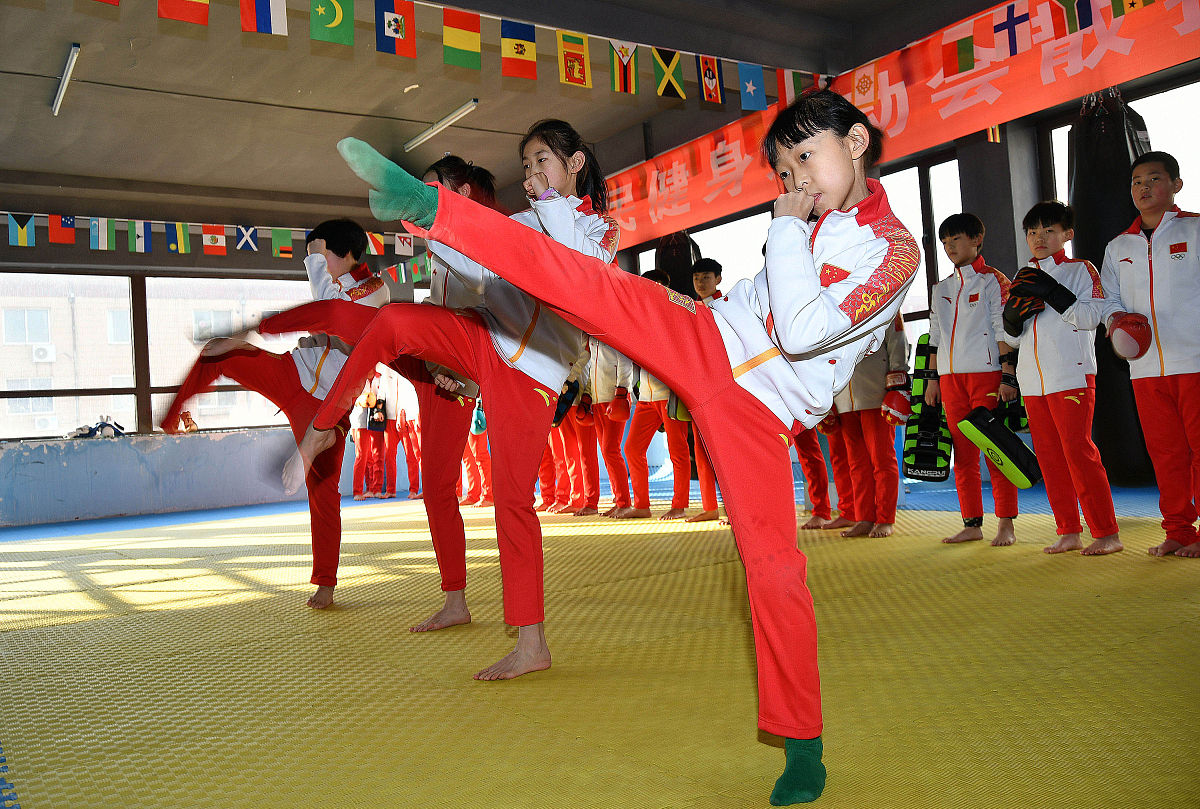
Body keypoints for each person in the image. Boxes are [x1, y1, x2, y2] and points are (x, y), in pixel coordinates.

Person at [329, 88, 921, 805]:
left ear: (855, 143)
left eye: (806, 156)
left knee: (775, 574)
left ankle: (802, 745)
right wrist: (713, 298)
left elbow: (800, 331)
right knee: (585, 284)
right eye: (785, 166)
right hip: (708, 341)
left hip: (761, 416)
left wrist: (786, 230)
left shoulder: (891, 251)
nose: (795, 178)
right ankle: (432, 210)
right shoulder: (808, 218)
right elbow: (756, 308)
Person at [284, 122, 620, 682]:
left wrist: (549, 206)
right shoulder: (524, 220)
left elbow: (573, 275)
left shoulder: (599, 228)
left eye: (543, 162)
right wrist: (431, 220)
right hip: (486, 339)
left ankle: (530, 642)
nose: (533, 175)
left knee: (514, 502)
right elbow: (480, 269)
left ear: (576, 163)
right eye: (528, 166)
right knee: (391, 319)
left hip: (531, 373)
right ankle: (324, 424)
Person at [160, 219, 390, 609]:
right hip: (293, 373)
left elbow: (327, 309)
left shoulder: (376, 289)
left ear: (349, 254)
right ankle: (169, 422)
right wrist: (246, 335)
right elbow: (312, 315)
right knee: (221, 350)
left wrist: (313, 261)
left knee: (322, 493)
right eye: (315, 257)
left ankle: (325, 583)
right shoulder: (336, 283)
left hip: (329, 404)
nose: (319, 262)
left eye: (324, 254)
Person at [1003, 200, 1121, 555]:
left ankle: (1107, 533)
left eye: (1048, 231)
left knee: (1078, 452)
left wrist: (1054, 294)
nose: (1039, 238)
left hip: (1071, 376)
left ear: (1067, 235)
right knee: (1051, 458)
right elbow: (1012, 338)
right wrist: (1012, 321)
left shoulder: (1081, 269)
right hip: (1033, 381)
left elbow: (1091, 316)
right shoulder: (1023, 275)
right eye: (1032, 231)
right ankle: (1068, 529)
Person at [1099, 151, 1200, 558]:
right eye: (1137, 181)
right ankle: (1178, 530)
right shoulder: (1118, 246)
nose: (1143, 187)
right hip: (1144, 370)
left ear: (1175, 185)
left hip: (1194, 361)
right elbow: (1109, 299)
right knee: (1166, 453)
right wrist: (1118, 326)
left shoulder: (1195, 231)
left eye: (1154, 179)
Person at [926, 213, 1020, 546]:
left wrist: (1007, 374)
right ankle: (972, 523)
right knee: (963, 455)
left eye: (957, 239)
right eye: (945, 242)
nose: (950, 247)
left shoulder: (994, 280)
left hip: (986, 374)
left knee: (995, 450)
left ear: (977, 239)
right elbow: (934, 336)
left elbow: (1003, 330)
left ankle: (1006, 522)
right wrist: (932, 380)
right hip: (951, 380)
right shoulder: (941, 288)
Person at [620, 269, 694, 521]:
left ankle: (679, 504)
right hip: (646, 397)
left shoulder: (675, 314)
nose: (653, 288)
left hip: (670, 394)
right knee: (632, 448)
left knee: (678, 451)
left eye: (658, 284)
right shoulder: (636, 317)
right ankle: (641, 505)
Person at [829, 315, 909, 538]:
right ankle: (864, 517)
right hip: (844, 397)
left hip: (876, 393)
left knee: (882, 459)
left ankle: (885, 519)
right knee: (857, 464)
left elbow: (897, 340)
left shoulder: (883, 296)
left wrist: (897, 385)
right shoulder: (833, 304)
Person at [580, 336, 635, 516]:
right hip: (598, 400)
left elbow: (625, 361)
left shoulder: (611, 331)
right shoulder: (591, 337)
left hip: (613, 398)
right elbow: (592, 370)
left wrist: (621, 391)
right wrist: (587, 396)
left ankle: (624, 503)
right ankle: (619, 500)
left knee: (611, 450)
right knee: (606, 452)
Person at [687, 257, 724, 522]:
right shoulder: (689, 308)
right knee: (701, 448)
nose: (701, 282)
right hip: (697, 386)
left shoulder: (727, 306)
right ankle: (710, 507)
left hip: (722, 386)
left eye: (706, 277)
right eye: (697, 277)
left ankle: (737, 509)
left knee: (726, 451)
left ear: (718, 279)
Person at [350, 381, 379, 500]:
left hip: (371, 422)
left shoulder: (376, 379)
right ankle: (357, 491)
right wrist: (363, 400)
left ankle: (370, 489)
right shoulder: (357, 379)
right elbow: (353, 400)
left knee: (370, 457)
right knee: (361, 457)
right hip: (359, 423)